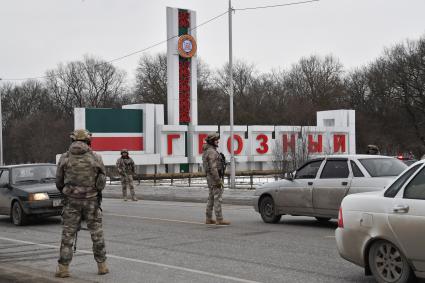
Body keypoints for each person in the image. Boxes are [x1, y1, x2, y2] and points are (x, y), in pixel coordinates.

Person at [55, 129, 108, 278]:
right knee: (96, 233)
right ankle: (102, 266)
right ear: (88, 141)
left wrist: (67, 192)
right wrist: (96, 191)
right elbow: (102, 180)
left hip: (71, 201)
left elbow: (58, 180)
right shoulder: (96, 157)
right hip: (91, 200)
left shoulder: (65, 157)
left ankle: (63, 269)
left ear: (73, 141)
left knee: (68, 234)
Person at [202, 133, 230, 225]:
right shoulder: (212, 152)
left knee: (211, 198)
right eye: (216, 140)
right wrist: (218, 180)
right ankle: (219, 219)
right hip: (214, 178)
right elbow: (213, 168)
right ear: (211, 141)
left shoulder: (208, 151)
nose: (217, 141)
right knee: (217, 198)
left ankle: (208, 218)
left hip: (210, 178)